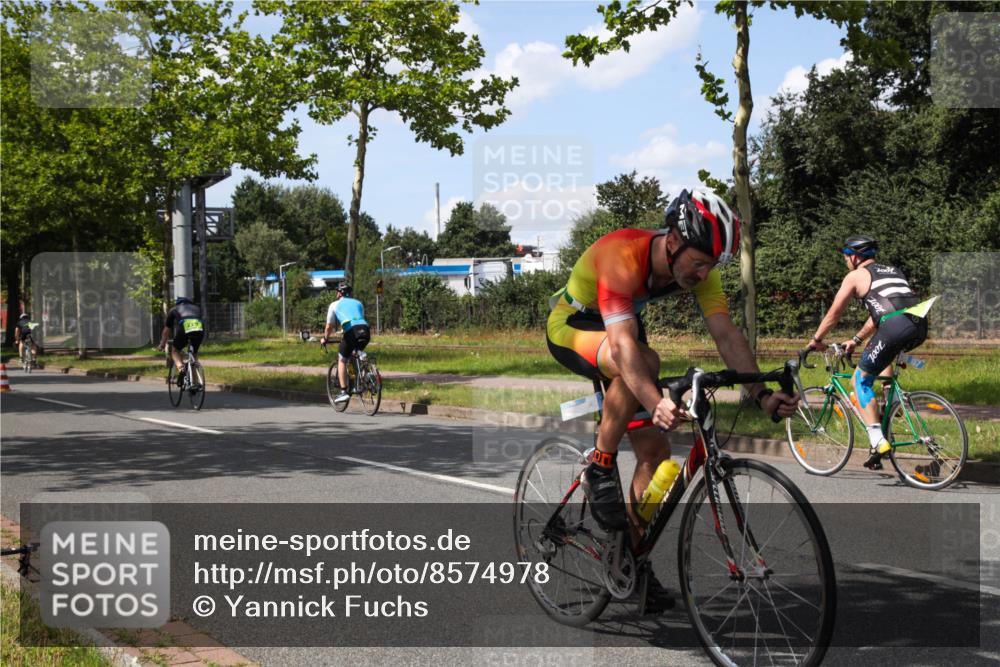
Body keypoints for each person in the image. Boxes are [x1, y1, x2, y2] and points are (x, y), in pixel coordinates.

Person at [546, 189, 798, 608]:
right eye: (698, 263)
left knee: (656, 454)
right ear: (674, 241)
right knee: (643, 358)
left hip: (621, 326)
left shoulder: (702, 267)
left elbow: (726, 334)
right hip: (572, 325)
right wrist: (657, 398)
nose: (702, 274)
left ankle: (629, 560)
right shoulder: (621, 255)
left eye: (710, 266)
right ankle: (600, 465)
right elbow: (626, 351)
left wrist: (762, 393)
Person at [807, 235, 932, 469]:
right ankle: (891, 399)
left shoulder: (855, 276)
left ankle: (877, 440)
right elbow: (882, 313)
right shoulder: (892, 270)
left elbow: (834, 313)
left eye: (846, 257)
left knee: (860, 381)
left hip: (895, 326)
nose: (845, 261)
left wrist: (815, 340)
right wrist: (855, 339)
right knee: (879, 348)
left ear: (854, 257)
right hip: (919, 323)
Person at [322, 282, 371, 404]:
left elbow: (329, 326)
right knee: (355, 353)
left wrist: (325, 338)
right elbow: (357, 318)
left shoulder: (334, 305)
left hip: (351, 332)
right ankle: (365, 376)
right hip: (365, 330)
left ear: (339, 293)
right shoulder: (358, 303)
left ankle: (344, 392)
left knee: (342, 359)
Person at [157, 296, 205, 385]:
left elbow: (166, 330)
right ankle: (195, 382)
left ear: (178, 303)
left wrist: (162, 344)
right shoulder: (197, 308)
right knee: (194, 355)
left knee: (175, 351)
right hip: (199, 329)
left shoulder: (174, 309)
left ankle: (181, 369)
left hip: (184, 328)